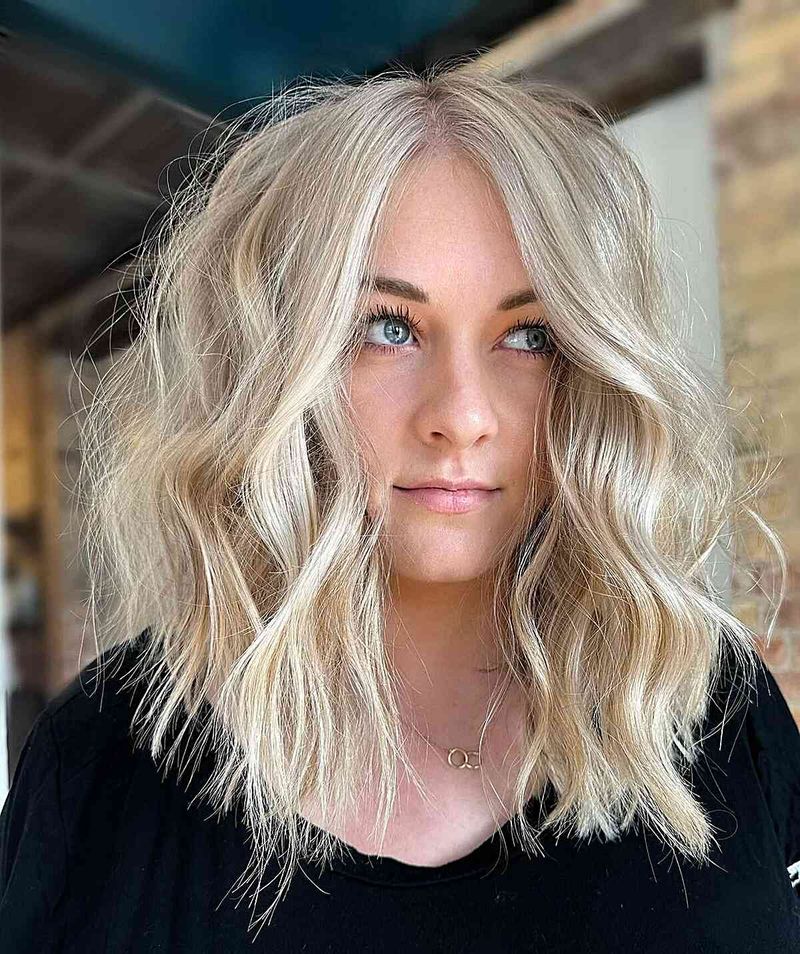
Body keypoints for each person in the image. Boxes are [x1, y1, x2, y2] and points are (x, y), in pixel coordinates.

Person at [1, 63, 799, 953]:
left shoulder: (715, 710)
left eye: (529, 336)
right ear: (274, 367)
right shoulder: (96, 768)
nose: (462, 414)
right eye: (387, 329)